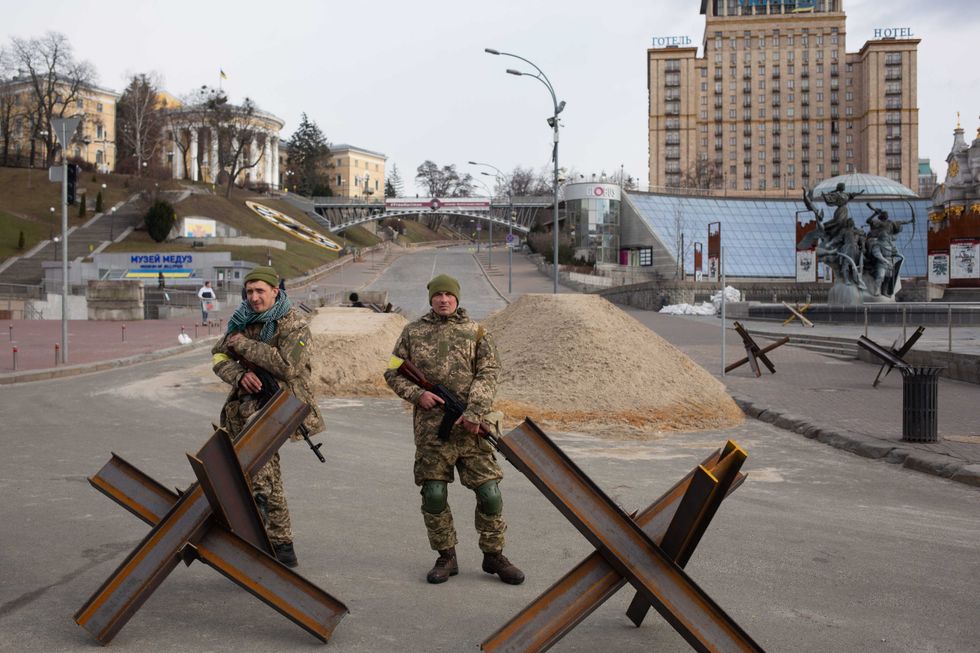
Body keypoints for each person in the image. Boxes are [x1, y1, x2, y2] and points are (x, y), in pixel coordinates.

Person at [384, 274, 524, 586]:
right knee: (434, 494)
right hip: (432, 432)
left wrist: (474, 411)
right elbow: (392, 372)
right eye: (438, 295)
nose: (443, 300)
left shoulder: (477, 333)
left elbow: (489, 374)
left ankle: (494, 555)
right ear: (430, 298)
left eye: (449, 294)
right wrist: (417, 394)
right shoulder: (412, 332)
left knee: (490, 494)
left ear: (457, 298)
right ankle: (446, 556)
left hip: (473, 428)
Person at [210, 266, 324, 568]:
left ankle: (259, 544)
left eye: (260, 290)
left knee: (259, 475)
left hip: (280, 408)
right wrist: (239, 375)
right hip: (246, 409)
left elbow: (288, 367)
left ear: (276, 291)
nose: (254, 297)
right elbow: (219, 355)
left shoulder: (294, 325)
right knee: (264, 474)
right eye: (249, 291)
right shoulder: (240, 320)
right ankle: (281, 545)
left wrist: (244, 346)